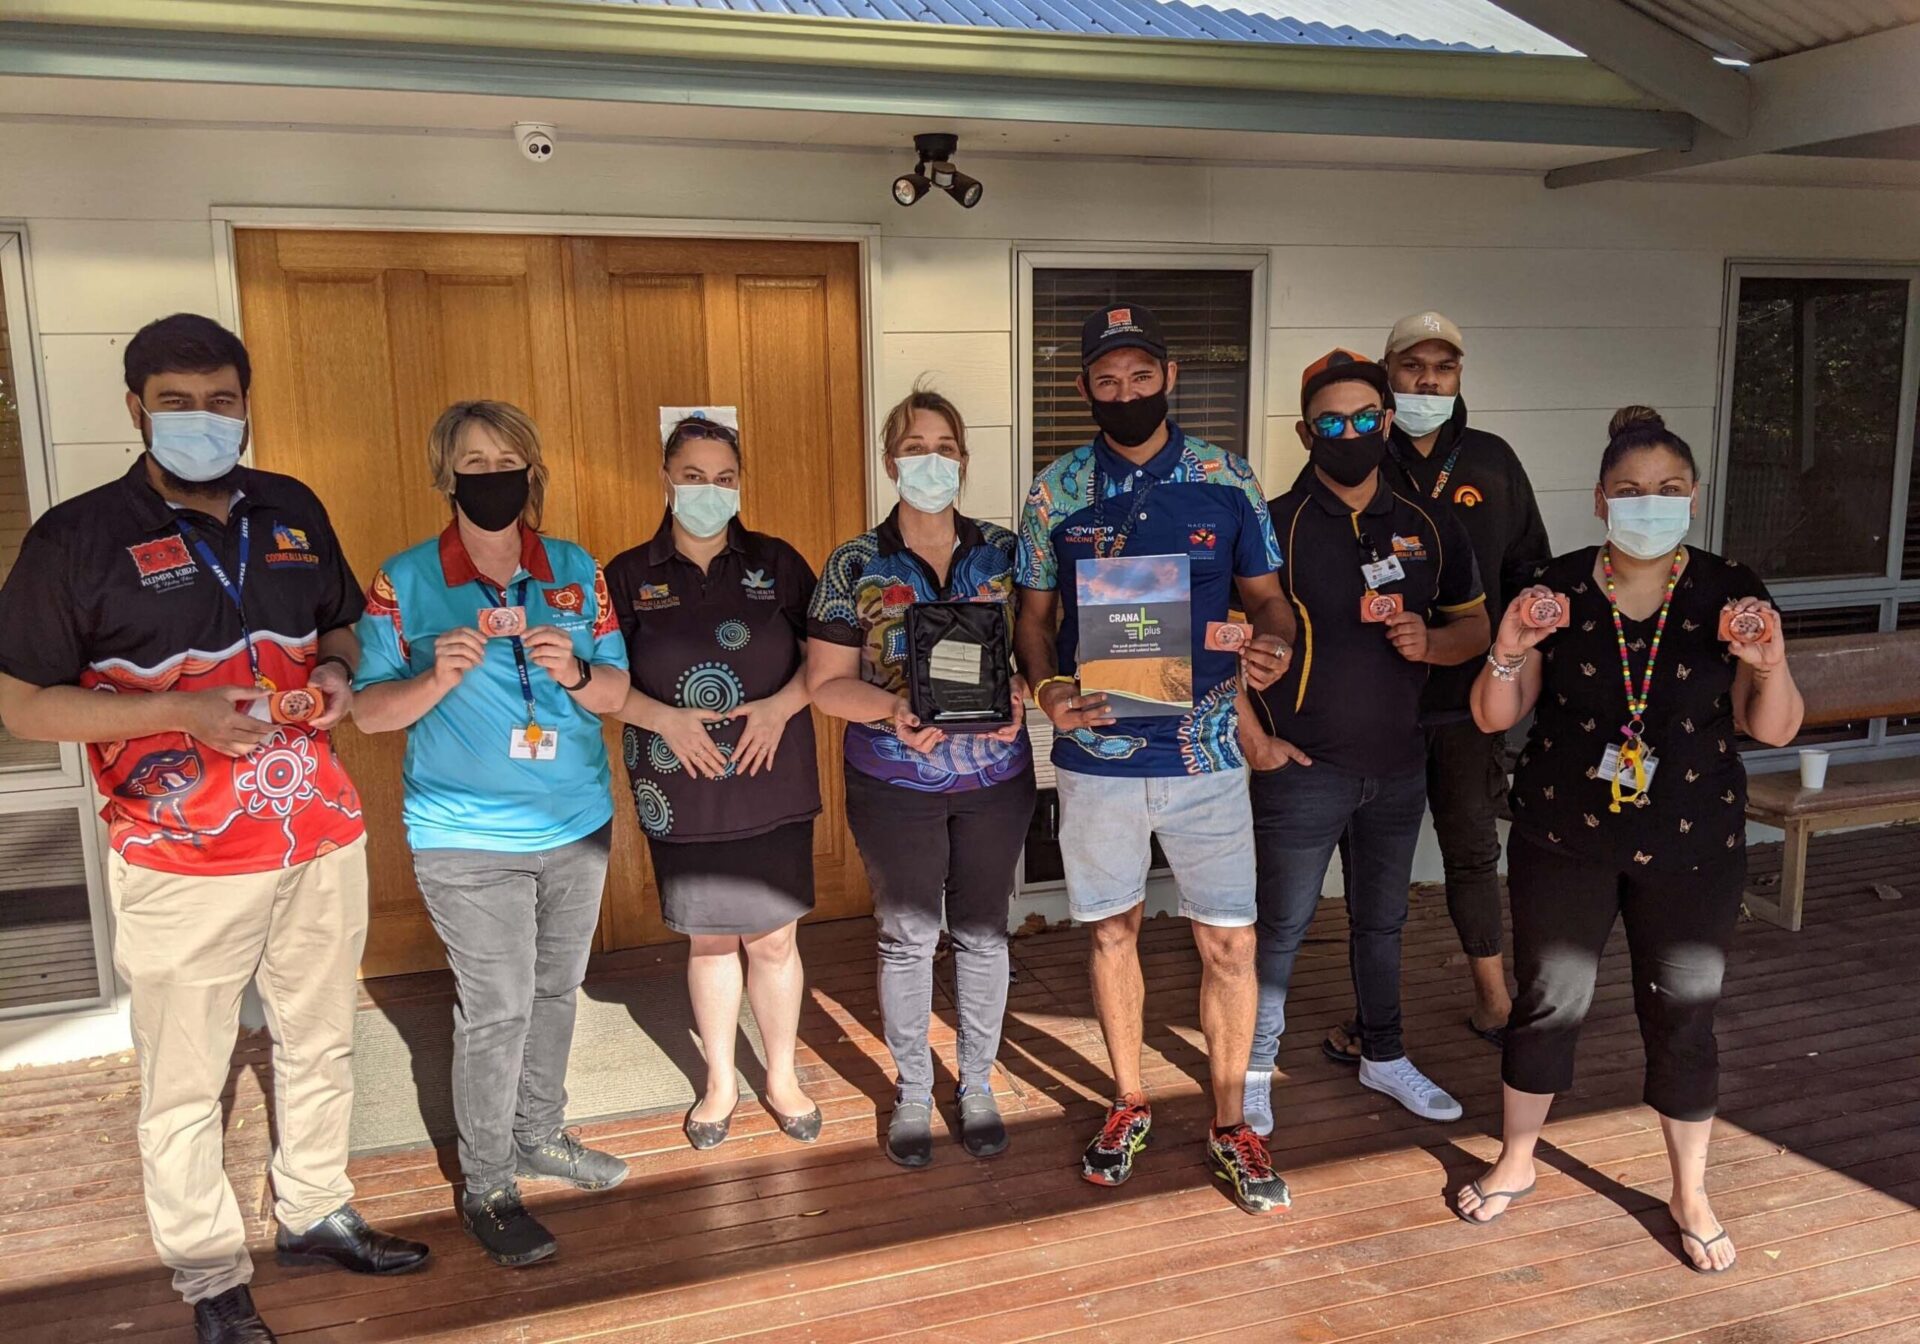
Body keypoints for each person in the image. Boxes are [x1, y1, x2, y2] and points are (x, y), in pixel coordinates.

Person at [0, 314, 426, 1344]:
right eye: (179, 403)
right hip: (181, 856)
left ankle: (316, 1208)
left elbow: (338, 622)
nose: (203, 420)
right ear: (138, 408)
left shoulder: (291, 507)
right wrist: (177, 712)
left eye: (222, 401)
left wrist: (332, 670)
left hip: (316, 831)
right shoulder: (77, 538)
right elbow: (22, 703)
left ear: (246, 404)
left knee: (319, 1041)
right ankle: (207, 1274)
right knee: (186, 1075)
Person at [1455, 406, 1803, 1276]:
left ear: (1695, 496)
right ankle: (1517, 1159)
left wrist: (1768, 662)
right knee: (1548, 1001)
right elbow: (1496, 713)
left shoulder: (1731, 591)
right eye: (1631, 492)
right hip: (1564, 832)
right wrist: (1506, 647)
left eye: (1670, 491)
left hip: (1694, 843)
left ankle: (1689, 1191)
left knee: (1684, 1014)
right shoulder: (1555, 587)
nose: (1651, 503)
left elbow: (1776, 730)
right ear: (1603, 502)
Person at [1014, 304, 1297, 1214]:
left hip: (1207, 753)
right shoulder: (1054, 490)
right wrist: (1049, 688)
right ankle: (1128, 1099)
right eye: (1106, 379)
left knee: (1230, 942)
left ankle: (1228, 1121)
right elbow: (1033, 618)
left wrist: (1277, 645)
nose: (1124, 392)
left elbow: (1269, 598)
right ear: (1086, 387)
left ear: (1170, 377)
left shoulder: (1226, 477)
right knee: (1111, 931)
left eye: (1140, 376)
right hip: (1096, 757)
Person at [352, 401, 632, 1270]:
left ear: (530, 468)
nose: (492, 472)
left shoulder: (577, 569)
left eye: (507, 456)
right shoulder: (405, 581)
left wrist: (580, 671)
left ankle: (540, 1133)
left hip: (575, 822)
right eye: (473, 460)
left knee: (556, 990)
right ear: (448, 475)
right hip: (464, 835)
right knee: (499, 1005)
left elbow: (618, 694)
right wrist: (435, 676)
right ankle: (486, 1182)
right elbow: (366, 712)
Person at [1238, 349, 1489, 1138]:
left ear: (1386, 422)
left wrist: (1432, 645)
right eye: (1330, 423)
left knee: (1383, 923)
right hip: (1301, 767)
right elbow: (1222, 647)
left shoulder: (1428, 525)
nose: (1349, 433)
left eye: (1363, 418)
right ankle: (1250, 1068)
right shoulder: (1271, 525)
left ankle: (1384, 1053)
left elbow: (1475, 626)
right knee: (1281, 926)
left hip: (1398, 765)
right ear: (1305, 433)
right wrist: (1255, 741)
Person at [809, 389, 1036, 1168]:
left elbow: (1042, 657)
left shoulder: (1006, 552)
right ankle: (912, 1089)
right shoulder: (854, 562)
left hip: (995, 778)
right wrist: (892, 709)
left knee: (981, 933)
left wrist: (1024, 692)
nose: (930, 461)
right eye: (914, 446)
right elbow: (826, 683)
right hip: (892, 779)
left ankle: (976, 1084)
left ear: (964, 461)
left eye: (945, 447)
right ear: (889, 460)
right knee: (907, 937)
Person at [1322, 312, 1551, 1063]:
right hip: (1373, 699)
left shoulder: (1492, 460)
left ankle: (1494, 997)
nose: (1427, 380)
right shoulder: (1355, 454)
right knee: (1371, 863)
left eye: (1442, 369)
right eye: (1412, 366)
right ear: (1388, 375)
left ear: (1459, 378)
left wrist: (1520, 672)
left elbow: (1528, 574)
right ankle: (1371, 1014)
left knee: (1472, 848)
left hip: (1468, 696)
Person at [603, 413, 822, 1152]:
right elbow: (601, 684)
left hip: (771, 776)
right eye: (693, 476)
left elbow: (826, 662)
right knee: (708, 940)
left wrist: (780, 708)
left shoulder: (779, 563)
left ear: (739, 484)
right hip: (681, 784)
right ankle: (722, 1082)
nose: (708, 490)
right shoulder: (628, 575)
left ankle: (784, 1075)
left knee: (773, 940)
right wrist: (661, 720)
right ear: (666, 480)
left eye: (723, 478)